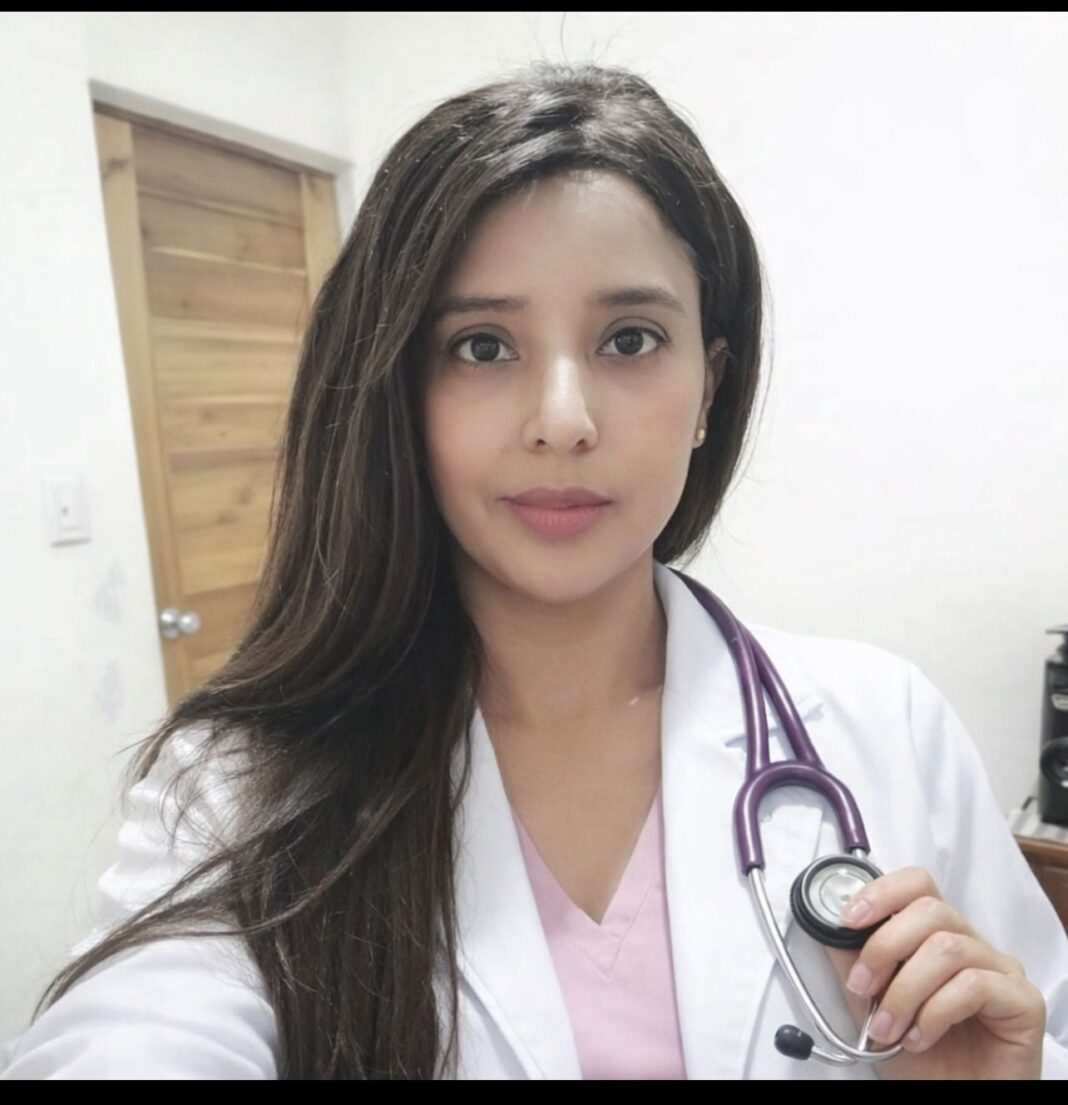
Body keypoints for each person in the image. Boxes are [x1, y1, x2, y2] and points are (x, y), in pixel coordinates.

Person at [4, 59, 1068, 1081]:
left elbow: (1035, 1024)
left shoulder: (888, 728)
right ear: (400, 392)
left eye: (631, 339)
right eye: (482, 346)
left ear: (709, 388)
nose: (563, 419)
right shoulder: (241, 787)